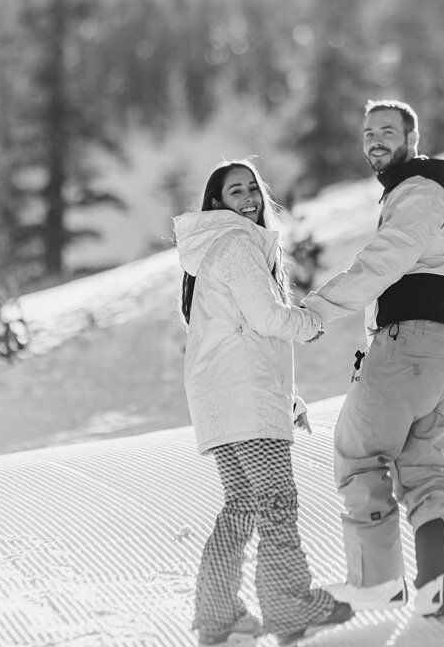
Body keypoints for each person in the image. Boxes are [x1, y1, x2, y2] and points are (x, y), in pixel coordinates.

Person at [300, 100, 444, 617]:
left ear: (413, 138)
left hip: (411, 347)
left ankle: (376, 581)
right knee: (421, 466)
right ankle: (440, 585)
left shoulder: (418, 193)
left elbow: (381, 262)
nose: (375, 140)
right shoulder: (425, 193)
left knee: (358, 450)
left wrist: (314, 312)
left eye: (387, 131)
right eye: (368, 132)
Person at [173, 159, 351, 646]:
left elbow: (244, 331)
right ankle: (291, 609)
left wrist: (286, 397)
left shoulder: (218, 249)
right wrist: (310, 323)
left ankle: (219, 617)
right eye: (236, 191)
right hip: (245, 397)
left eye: (253, 187)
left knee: (242, 506)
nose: (249, 197)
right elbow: (268, 319)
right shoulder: (235, 244)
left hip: (223, 397)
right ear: (217, 203)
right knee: (275, 503)